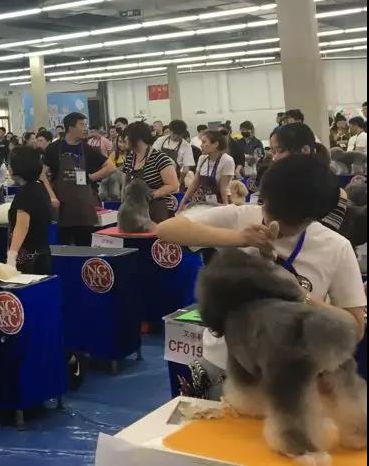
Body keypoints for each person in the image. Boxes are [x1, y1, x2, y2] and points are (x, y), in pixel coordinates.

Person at [156, 155, 365, 400]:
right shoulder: (241, 217)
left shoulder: (335, 247)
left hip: (293, 377)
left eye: (287, 222)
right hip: (224, 367)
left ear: (311, 218)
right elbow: (166, 230)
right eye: (269, 210)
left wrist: (300, 296)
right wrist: (238, 238)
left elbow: (354, 328)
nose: (273, 223)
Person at [42, 113, 117, 245]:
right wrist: (52, 196)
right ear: (70, 128)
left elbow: (111, 167)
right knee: (63, 247)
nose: (85, 128)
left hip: (84, 209)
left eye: (86, 125)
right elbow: (42, 174)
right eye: (82, 125)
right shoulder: (53, 148)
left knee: (85, 247)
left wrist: (91, 177)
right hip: (62, 208)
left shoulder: (87, 149)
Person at [5, 147, 52, 274]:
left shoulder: (25, 193)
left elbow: (22, 227)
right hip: (42, 252)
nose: (8, 167)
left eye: (10, 164)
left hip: (28, 258)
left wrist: (11, 257)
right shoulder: (40, 187)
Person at [122, 121, 179, 221]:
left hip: (158, 208)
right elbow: (125, 183)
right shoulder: (130, 158)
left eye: (127, 136)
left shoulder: (159, 158)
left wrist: (150, 196)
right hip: (135, 209)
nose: (124, 139)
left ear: (137, 138)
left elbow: (173, 185)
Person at [177, 130, 234, 211]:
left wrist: (225, 206)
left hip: (220, 199)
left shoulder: (227, 160)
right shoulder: (202, 158)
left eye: (204, 142)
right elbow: (195, 183)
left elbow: (223, 187)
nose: (201, 145)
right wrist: (183, 201)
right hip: (202, 198)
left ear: (215, 144)